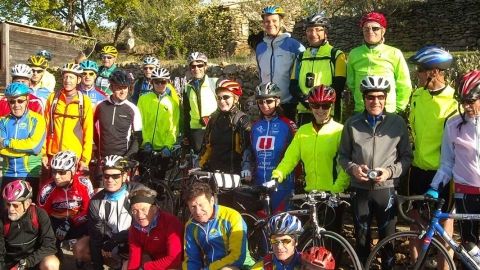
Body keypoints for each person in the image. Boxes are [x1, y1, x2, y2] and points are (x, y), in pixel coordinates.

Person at [338, 75, 412, 265]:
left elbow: (406, 157)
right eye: (371, 97)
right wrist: (353, 169)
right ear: (364, 99)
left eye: (380, 96)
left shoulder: (397, 123)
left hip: (385, 189)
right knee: (361, 238)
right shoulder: (352, 123)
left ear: (386, 98)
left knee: (388, 239)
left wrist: (389, 172)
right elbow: (342, 156)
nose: (375, 101)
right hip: (360, 189)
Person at [272, 85, 350, 231]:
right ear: (310, 106)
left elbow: (346, 164)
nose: (320, 110)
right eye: (315, 105)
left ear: (331, 106)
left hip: (333, 195)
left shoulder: (340, 130)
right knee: (312, 241)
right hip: (311, 195)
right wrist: (278, 175)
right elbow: (290, 158)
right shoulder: (303, 131)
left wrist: (337, 189)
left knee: (331, 242)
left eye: (325, 105)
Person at [407, 46, 457, 269]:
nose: (417, 74)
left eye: (420, 70)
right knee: (415, 223)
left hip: (443, 173)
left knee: (445, 224)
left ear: (434, 72)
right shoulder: (417, 95)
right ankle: (417, 264)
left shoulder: (454, 102)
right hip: (417, 169)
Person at [427, 70, 480, 267]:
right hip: (465, 193)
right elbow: (447, 163)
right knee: (469, 246)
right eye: (463, 101)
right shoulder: (453, 124)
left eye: (471, 101)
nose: (466, 106)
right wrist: (435, 186)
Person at [346, 12, 412, 114]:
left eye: (375, 28)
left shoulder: (394, 53)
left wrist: (398, 108)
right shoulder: (354, 53)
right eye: (366, 29)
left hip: (388, 110)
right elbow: (351, 83)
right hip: (361, 109)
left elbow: (404, 83)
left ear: (383, 31)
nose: (370, 31)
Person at [88, 155, 145, 270]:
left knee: (129, 266)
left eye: (115, 176)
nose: (110, 180)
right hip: (115, 244)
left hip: (140, 243)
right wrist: (98, 267)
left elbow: (144, 228)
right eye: (106, 176)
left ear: (124, 176)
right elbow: (96, 238)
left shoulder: (138, 192)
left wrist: (116, 239)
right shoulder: (95, 202)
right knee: (83, 250)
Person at [183, 181, 255, 269]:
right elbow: (191, 259)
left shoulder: (232, 217)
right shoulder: (190, 226)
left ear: (212, 200)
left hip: (240, 266)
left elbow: (237, 257)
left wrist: (210, 268)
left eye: (201, 205)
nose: (198, 211)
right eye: (193, 207)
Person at [38, 150, 94, 263]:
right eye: (54, 171)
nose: (56, 176)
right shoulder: (47, 189)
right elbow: (42, 216)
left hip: (78, 222)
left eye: (62, 172)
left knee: (85, 249)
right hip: (55, 224)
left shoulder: (84, 183)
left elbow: (90, 210)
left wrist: (70, 223)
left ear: (73, 171)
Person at [290, 13, 347, 124]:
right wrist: (306, 101)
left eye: (318, 30)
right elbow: (293, 85)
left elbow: (339, 85)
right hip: (305, 111)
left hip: (327, 110)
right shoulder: (301, 57)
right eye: (309, 30)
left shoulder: (336, 55)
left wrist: (319, 103)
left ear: (326, 32)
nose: (313, 33)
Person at [251, 82, 297, 213]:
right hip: (260, 183)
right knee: (261, 224)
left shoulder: (289, 125)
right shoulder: (255, 126)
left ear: (278, 101)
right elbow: (249, 152)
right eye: (260, 102)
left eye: (269, 101)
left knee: (281, 225)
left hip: (282, 186)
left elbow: (297, 154)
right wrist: (247, 168)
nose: (264, 105)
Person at [256, 5, 305, 121]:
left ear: (281, 21)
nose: (270, 24)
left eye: (274, 20)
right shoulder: (260, 47)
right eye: (267, 21)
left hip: (288, 103)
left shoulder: (294, 45)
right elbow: (260, 74)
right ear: (263, 23)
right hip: (266, 103)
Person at [42, 63, 94, 173]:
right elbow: (44, 127)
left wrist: (85, 159)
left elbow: (88, 133)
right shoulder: (53, 98)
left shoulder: (84, 102)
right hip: (53, 154)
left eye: (71, 77)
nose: (67, 80)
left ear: (78, 80)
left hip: (74, 156)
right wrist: (43, 154)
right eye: (65, 76)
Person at [0, 82, 46, 200]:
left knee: (29, 213)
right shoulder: (2, 121)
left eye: (20, 101)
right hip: (8, 174)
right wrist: (25, 148)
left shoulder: (37, 120)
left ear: (27, 100)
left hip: (30, 174)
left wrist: (6, 143)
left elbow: (34, 147)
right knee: (7, 213)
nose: (16, 105)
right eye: (12, 101)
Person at [0, 180, 59, 270]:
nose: (10, 209)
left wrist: (25, 263)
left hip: (34, 261)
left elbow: (50, 246)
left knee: (51, 263)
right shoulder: (2, 219)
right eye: (8, 204)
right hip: (10, 264)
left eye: (15, 205)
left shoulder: (39, 214)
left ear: (27, 203)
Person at [199, 80, 252, 177]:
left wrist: (246, 168)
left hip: (234, 174)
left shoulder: (242, 119)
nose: (222, 101)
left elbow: (247, 148)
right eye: (219, 98)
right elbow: (206, 145)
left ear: (235, 99)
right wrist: (200, 164)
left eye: (226, 97)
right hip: (213, 172)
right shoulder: (214, 118)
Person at [94, 69, 142, 169]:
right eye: (118, 87)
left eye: (125, 87)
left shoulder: (133, 109)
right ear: (111, 87)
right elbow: (90, 130)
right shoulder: (100, 106)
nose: (122, 91)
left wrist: (127, 158)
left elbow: (138, 138)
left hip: (122, 159)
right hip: (102, 159)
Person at [137, 67, 180, 180]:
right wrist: (145, 141)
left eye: (163, 81)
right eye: (157, 81)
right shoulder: (143, 99)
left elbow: (174, 127)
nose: (160, 84)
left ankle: (160, 196)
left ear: (168, 83)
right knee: (144, 179)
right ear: (152, 82)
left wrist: (168, 146)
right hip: (146, 147)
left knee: (159, 180)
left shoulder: (173, 103)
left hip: (163, 148)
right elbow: (140, 122)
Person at [126, 186, 183, 270]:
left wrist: (144, 268)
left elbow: (174, 259)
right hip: (153, 259)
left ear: (154, 208)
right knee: (126, 265)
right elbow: (134, 256)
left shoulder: (170, 222)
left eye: (144, 209)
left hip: (174, 264)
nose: (140, 215)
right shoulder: (135, 228)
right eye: (135, 211)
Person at [183, 52, 218, 153]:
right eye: (193, 66)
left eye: (200, 65)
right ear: (190, 69)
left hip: (213, 126)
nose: (196, 69)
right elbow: (186, 112)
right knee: (199, 156)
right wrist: (186, 134)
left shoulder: (214, 83)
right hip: (196, 129)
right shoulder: (187, 88)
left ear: (205, 67)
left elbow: (223, 105)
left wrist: (211, 118)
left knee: (214, 155)